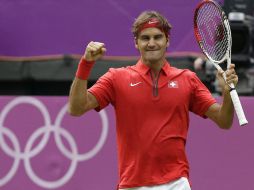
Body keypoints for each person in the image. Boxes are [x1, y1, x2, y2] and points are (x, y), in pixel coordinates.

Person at [68, 10, 238, 190]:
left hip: (176, 183)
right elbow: (76, 108)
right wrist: (86, 64)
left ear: (167, 41)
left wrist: (227, 93)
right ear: (136, 43)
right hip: (132, 184)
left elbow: (224, 121)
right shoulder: (116, 78)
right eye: (145, 38)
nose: (151, 43)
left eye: (157, 37)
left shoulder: (187, 79)